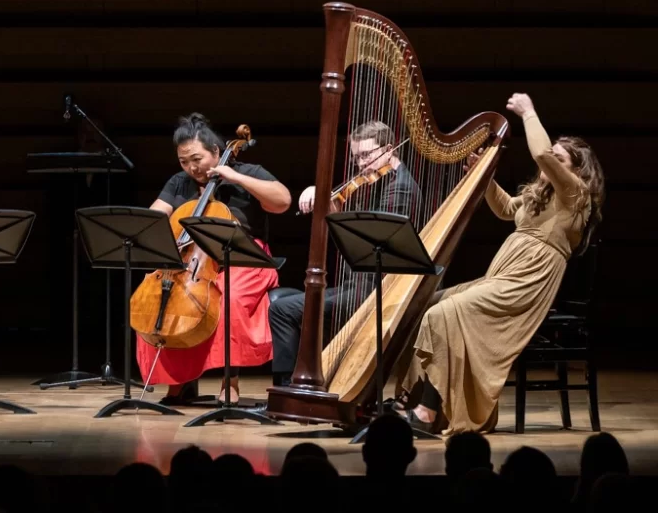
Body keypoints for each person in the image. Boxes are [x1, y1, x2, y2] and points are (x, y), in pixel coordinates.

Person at [394, 93, 604, 435]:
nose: (549, 164)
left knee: (443, 314)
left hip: (526, 285)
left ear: (576, 170)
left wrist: (529, 112)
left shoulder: (576, 194)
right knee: (432, 301)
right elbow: (506, 209)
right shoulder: (544, 193)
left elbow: (539, 152)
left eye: (559, 160)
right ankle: (416, 395)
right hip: (504, 276)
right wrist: (485, 178)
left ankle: (429, 412)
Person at [136, 113, 291, 405]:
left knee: (227, 298)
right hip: (194, 262)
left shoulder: (248, 171)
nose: (191, 168)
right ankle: (178, 382)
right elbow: (155, 215)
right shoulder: (179, 182)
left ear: (217, 152)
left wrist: (234, 177)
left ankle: (229, 381)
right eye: (184, 161)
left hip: (246, 259)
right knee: (161, 299)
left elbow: (282, 200)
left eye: (197, 159)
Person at [268, 120, 421, 386]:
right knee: (282, 302)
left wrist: (329, 206)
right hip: (359, 284)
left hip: (378, 289)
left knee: (282, 310)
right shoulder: (372, 184)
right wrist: (322, 195)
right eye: (356, 157)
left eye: (366, 155)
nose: (360, 164)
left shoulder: (400, 189)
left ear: (389, 148)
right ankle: (293, 387)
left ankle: (288, 389)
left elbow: (368, 243)